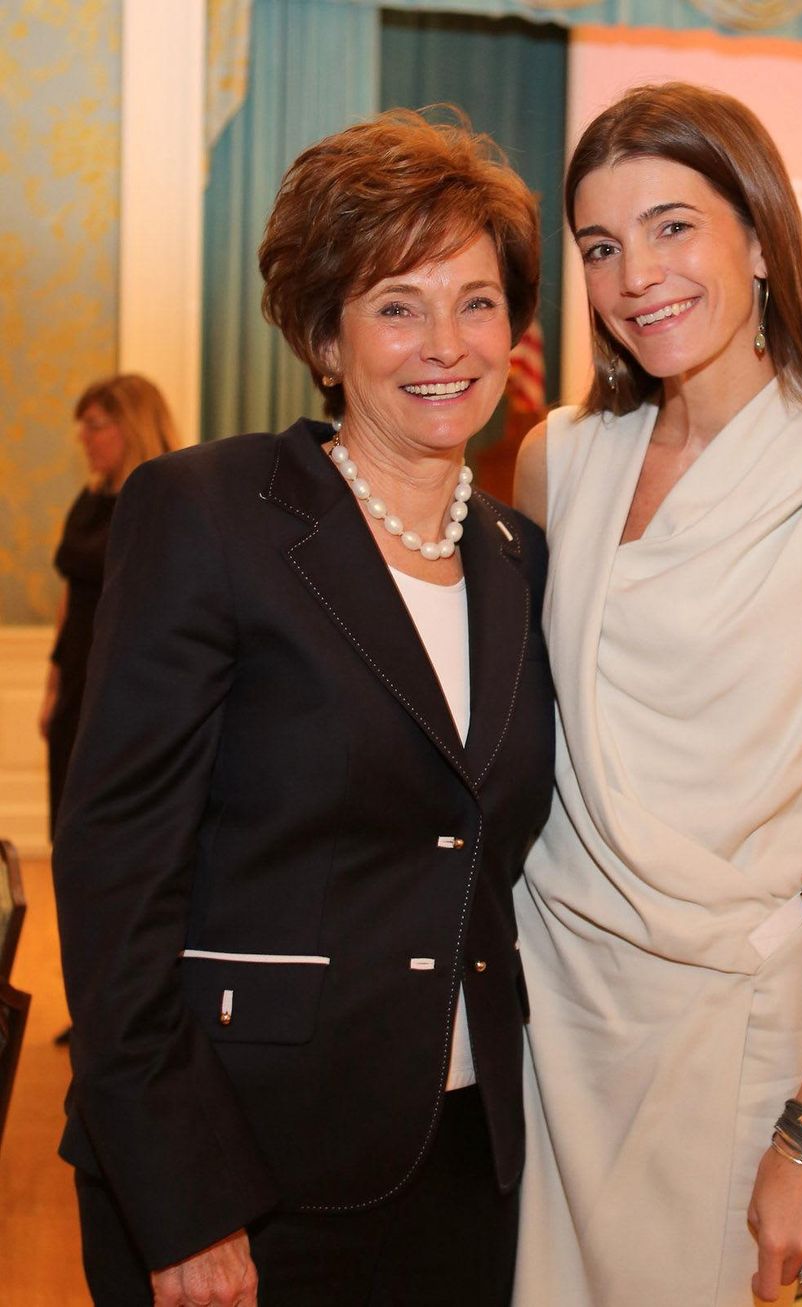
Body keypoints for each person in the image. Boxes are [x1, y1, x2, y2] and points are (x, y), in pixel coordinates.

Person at [52, 112, 555, 1307]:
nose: (446, 343)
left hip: (464, 1153)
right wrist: (183, 1200)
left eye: (477, 302)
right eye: (397, 303)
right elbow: (115, 873)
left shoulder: (518, 556)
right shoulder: (209, 510)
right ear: (324, 336)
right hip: (242, 1171)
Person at [511, 83, 802, 1307]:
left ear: (757, 236)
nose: (632, 275)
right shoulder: (558, 458)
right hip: (549, 1004)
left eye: (671, 227)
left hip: (732, 1024)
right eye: (599, 247)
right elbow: (536, 733)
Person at [39, 374, 176, 834]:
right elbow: (72, 595)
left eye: (95, 424)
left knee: (113, 826)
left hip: (129, 681)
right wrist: (54, 687)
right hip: (78, 672)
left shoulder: (163, 498)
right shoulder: (90, 497)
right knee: (66, 818)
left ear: (130, 425)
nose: (84, 437)